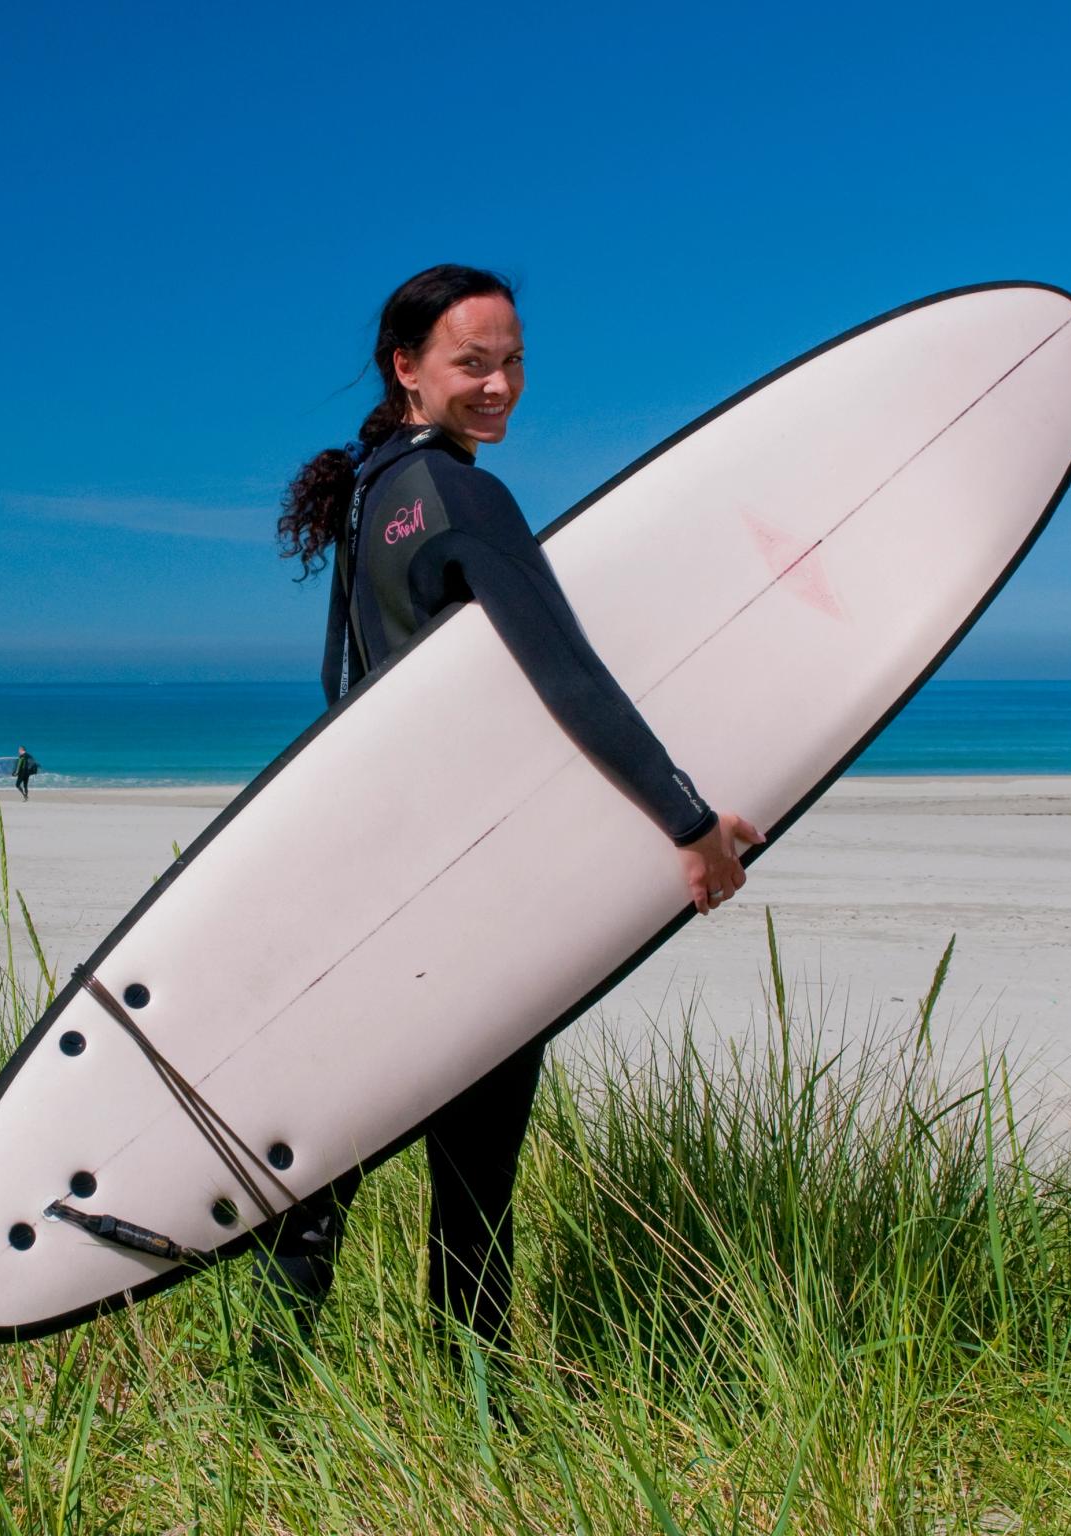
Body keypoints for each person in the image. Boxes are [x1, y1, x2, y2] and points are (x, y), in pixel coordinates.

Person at [264, 264, 764, 1358]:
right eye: (471, 362)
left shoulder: (371, 498)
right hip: (466, 884)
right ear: (407, 367)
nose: (498, 385)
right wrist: (687, 823)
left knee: (328, 1156)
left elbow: (347, 695)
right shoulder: (460, 496)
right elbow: (566, 677)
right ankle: (475, 1418)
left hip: (376, 869)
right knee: (476, 1172)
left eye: (512, 361)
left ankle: (266, 1410)